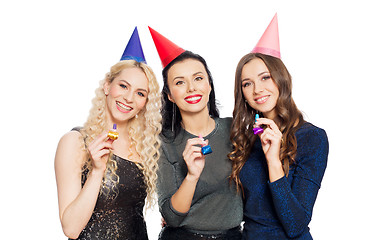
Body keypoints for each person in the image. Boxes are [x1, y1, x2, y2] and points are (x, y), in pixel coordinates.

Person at [54, 27, 161, 240]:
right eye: (123, 86)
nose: (129, 98)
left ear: (144, 103)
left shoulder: (145, 147)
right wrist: (97, 171)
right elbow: (71, 229)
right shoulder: (75, 142)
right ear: (107, 86)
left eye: (140, 93)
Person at [229, 14, 329, 239]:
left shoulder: (312, 138)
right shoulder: (248, 138)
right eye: (247, 84)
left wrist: (273, 161)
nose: (257, 90)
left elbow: (295, 224)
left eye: (265, 78)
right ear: (243, 94)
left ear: (281, 79)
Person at [148, 27, 243, 240]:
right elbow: (172, 217)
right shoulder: (164, 143)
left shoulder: (234, 130)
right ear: (170, 95)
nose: (191, 88)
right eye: (179, 82)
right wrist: (191, 176)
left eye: (198, 78)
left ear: (209, 84)